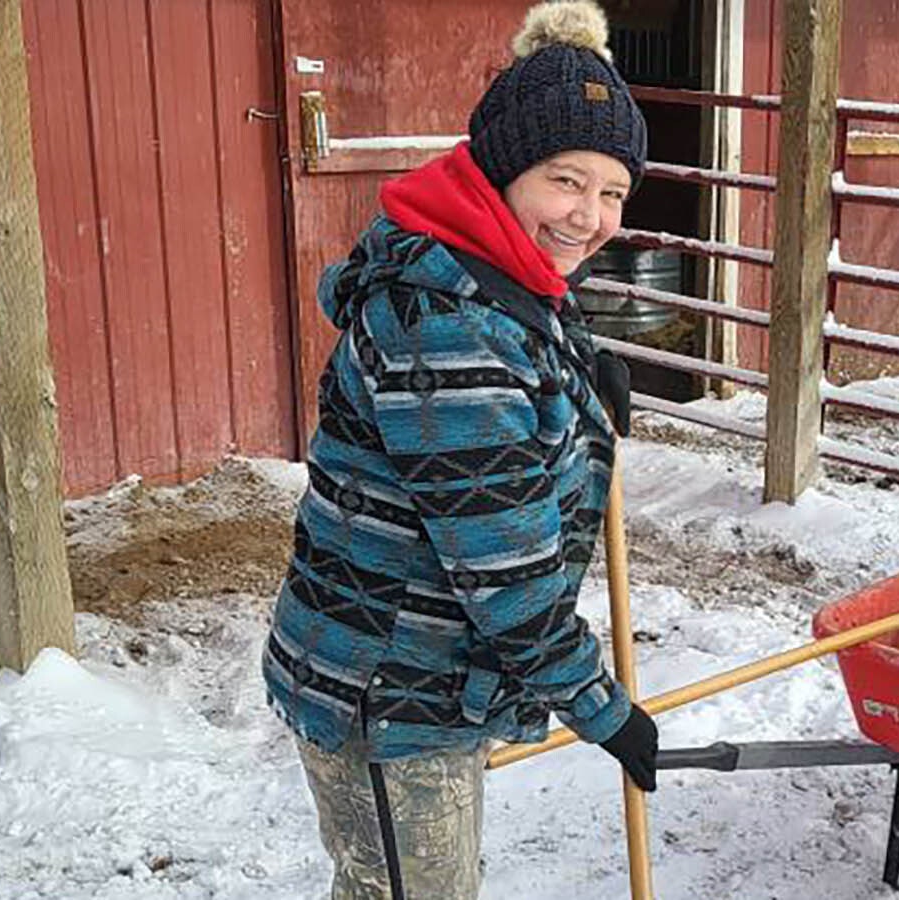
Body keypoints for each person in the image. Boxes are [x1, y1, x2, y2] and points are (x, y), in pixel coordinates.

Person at [260, 3, 656, 897]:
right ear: (506, 168)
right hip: (393, 688)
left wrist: (578, 371)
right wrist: (604, 710)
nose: (589, 216)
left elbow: (511, 362)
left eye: (613, 192)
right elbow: (506, 577)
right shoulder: (449, 328)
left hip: (417, 675)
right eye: (567, 180)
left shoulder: (484, 262)